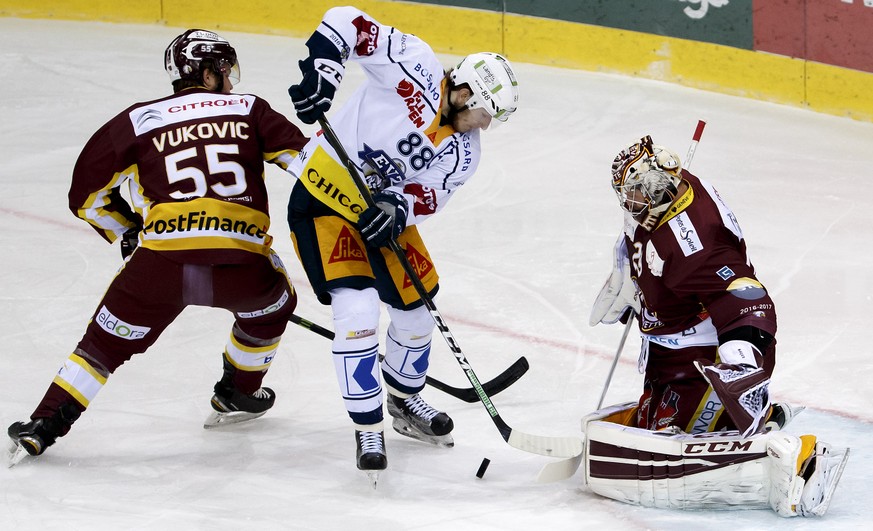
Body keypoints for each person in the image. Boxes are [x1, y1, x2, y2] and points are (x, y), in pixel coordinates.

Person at [7, 29, 309, 463]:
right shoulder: (249, 110)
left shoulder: (135, 120)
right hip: (241, 268)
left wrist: (127, 231)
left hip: (160, 268)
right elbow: (309, 165)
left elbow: (85, 197)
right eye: (225, 72)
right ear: (207, 74)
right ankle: (239, 392)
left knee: (101, 347)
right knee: (275, 305)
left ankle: (43, 425)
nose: (230, 82)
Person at [285, 6, 519, 474]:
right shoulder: (415, 64)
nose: (485, 124)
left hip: (380, 217)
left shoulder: (465, 152)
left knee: (418, 311)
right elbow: (347, 20)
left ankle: (404, 398)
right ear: (465, 89)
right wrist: (322, 74)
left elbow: (431, 193)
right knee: (358, 311)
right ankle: (367, 424)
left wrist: (400, 206)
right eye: (484, 112)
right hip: (323, 197)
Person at [586, 135, 848, 517]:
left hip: (697, 358)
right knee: (649, 422)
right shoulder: (672, 191)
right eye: (627, 193)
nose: (629, 203)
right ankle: (763, 420)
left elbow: (744, 294)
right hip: (665, 351)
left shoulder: (696, 247)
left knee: (670, 438)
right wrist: (639, 285)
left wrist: (742, 355)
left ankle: (794, 456)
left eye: (636, 192)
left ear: (658, 186)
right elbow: (648, 236)